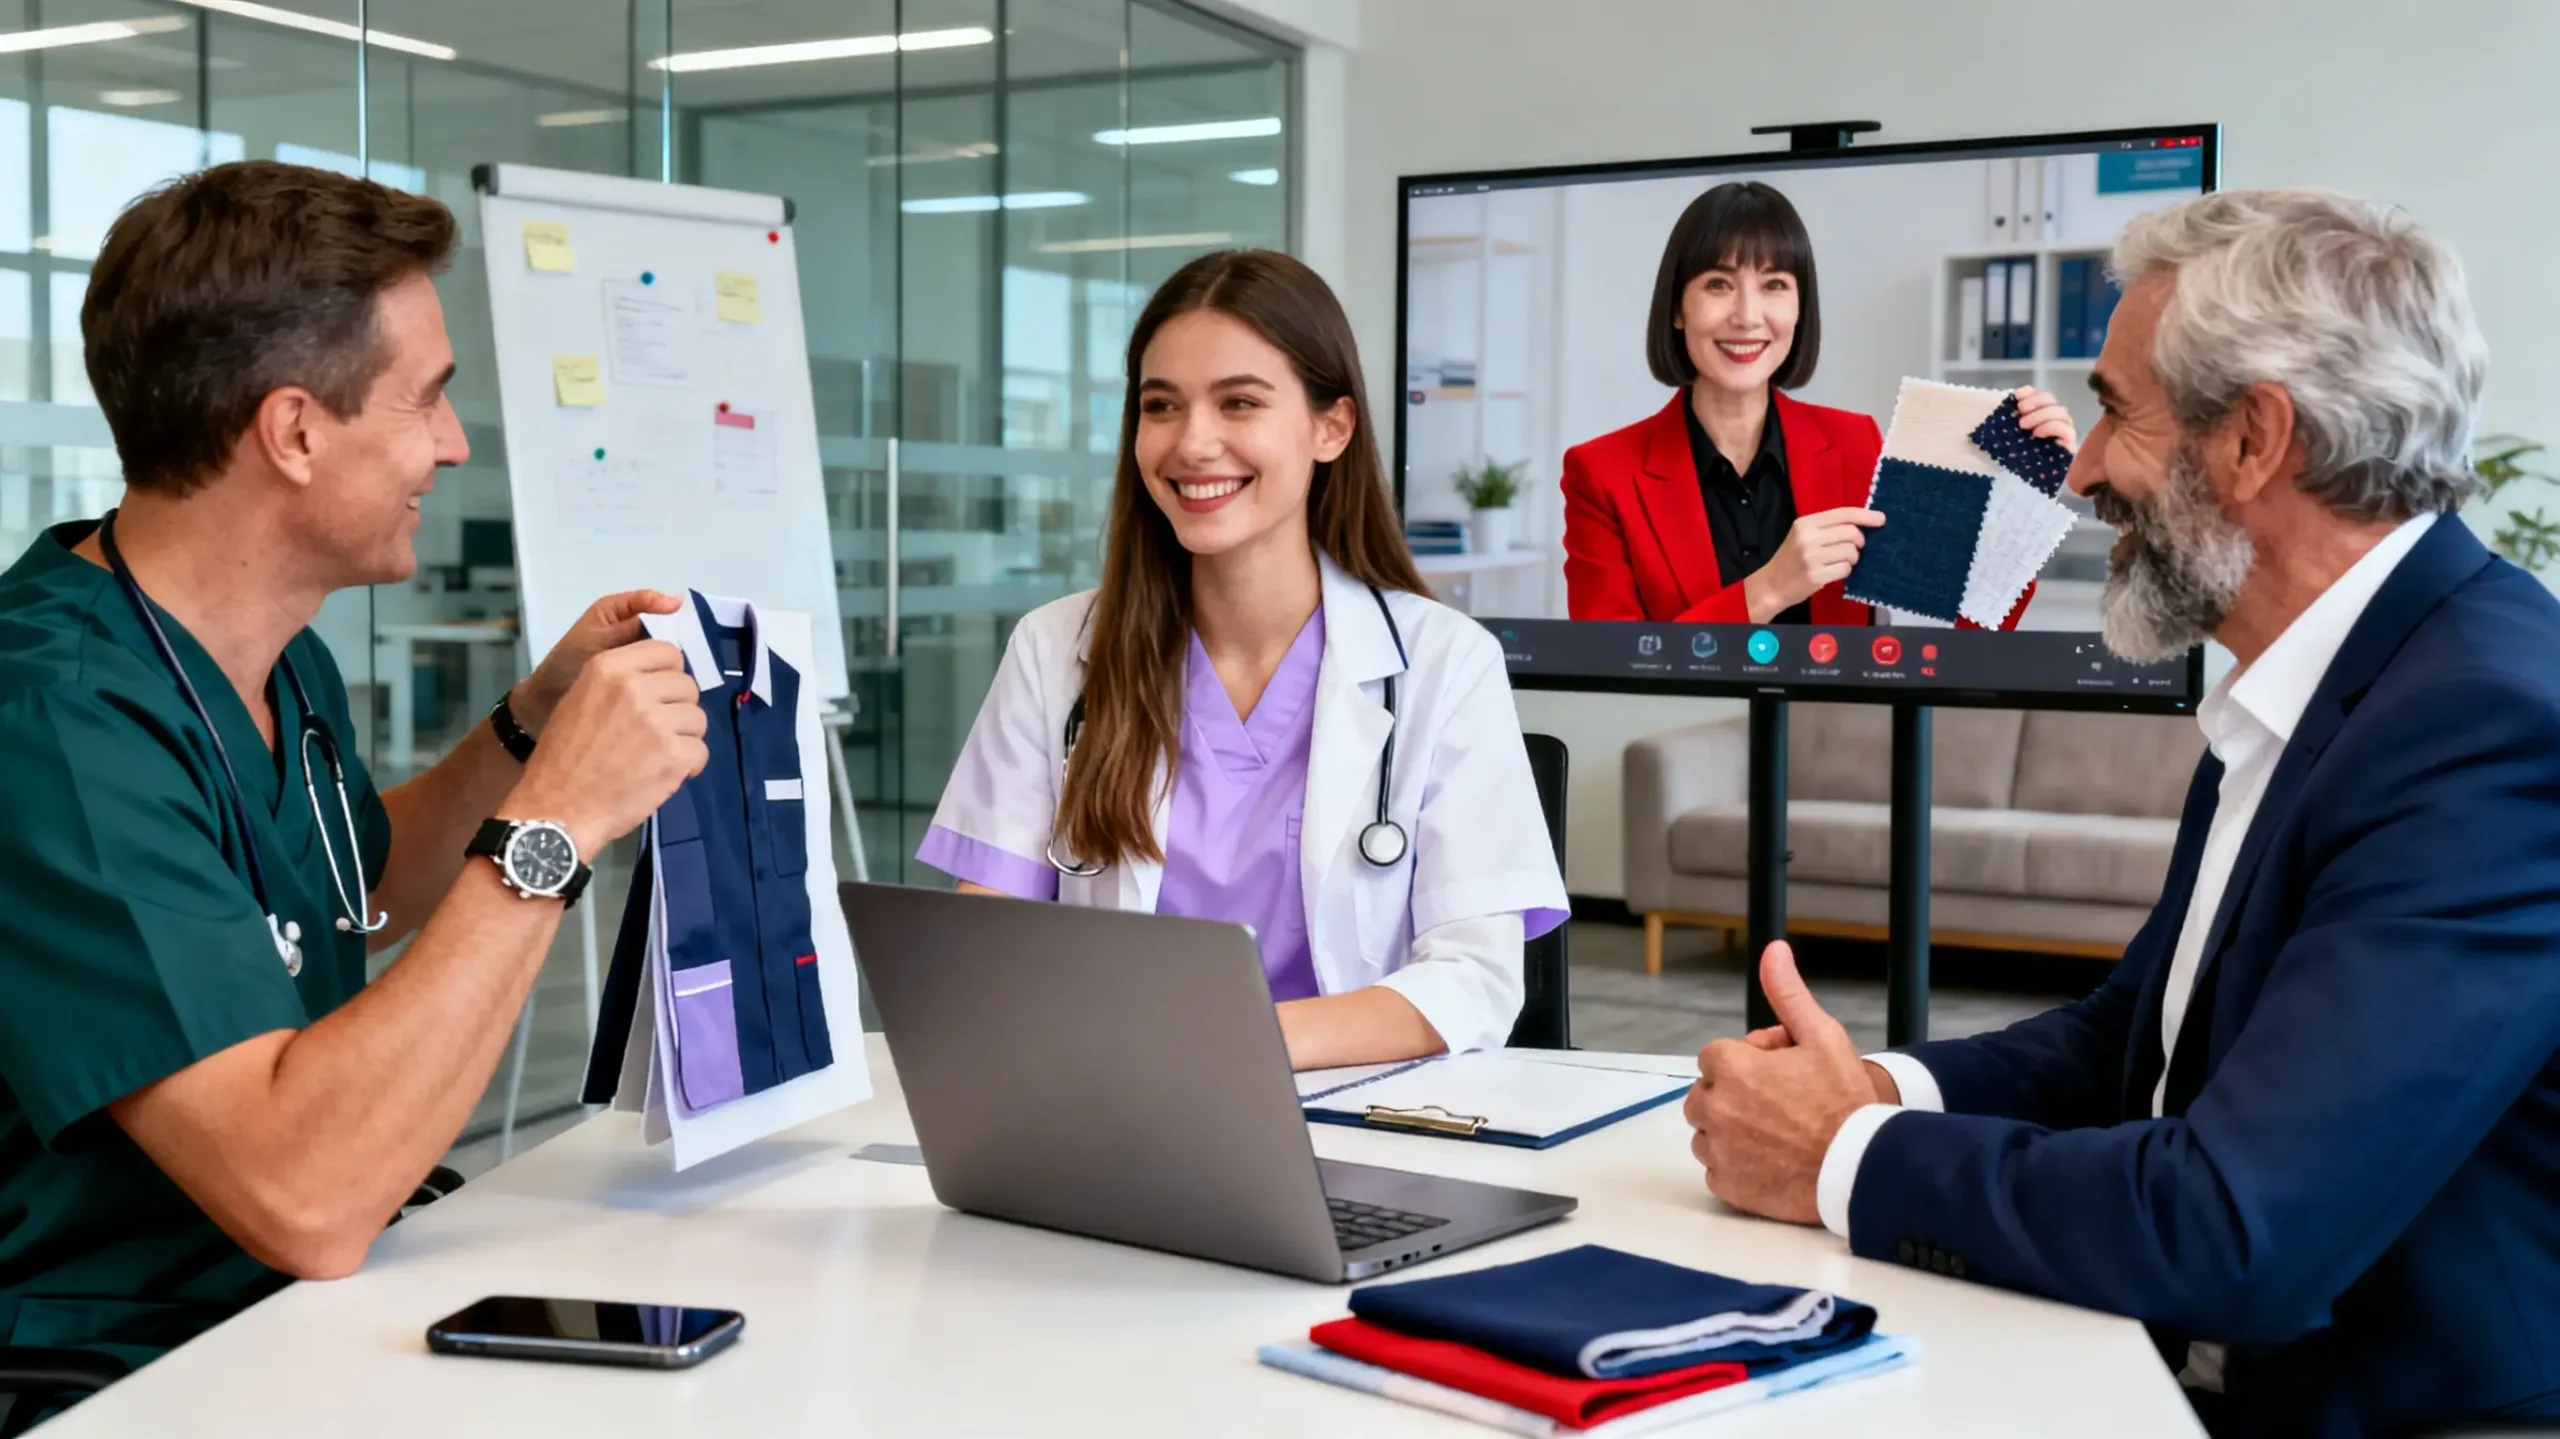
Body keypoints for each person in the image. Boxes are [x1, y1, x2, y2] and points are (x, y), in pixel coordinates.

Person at [1681, 188, 2560, 1437]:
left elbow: (2235, 1224)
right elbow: (2133, 1046)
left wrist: (1837, 1152)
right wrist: (1870, 1084)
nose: (2082, 469)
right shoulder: (2319, 678)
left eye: (2110, 411)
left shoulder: (2485, 728)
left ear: (2254, 439)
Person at [0, 161, 706, 1375]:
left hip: (299, 1293)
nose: (453, 442)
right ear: (294, 430)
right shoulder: (54, 721)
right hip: (126, 1352)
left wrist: (530, 725)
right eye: (424, 399)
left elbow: (347, 891)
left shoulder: (271, 657)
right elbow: (306, 1195)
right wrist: (556, 819)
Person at [918, 249, 1567, 1070]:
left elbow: (1474, 978)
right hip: (1118, 1111)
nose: (1194, 442)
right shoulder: (1057, 651)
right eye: (1162, 406)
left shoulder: (1444, 664)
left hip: (1356, 1117)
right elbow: (988, 947)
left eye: (1239, 403)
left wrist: (1224, 1042)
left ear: (1331, 426)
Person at [1558, 180, 2068, 626]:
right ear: (1676, 307)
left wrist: (2022, 493)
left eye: (1774, 285)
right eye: (1718, 285)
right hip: (1689, 731)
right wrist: (1770, 588)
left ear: (1800, 307)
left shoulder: (1856, 444)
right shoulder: (1601, 473)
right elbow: (1616, 660)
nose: (1748, 316)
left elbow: (1967, 623)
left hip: (1841, 730)